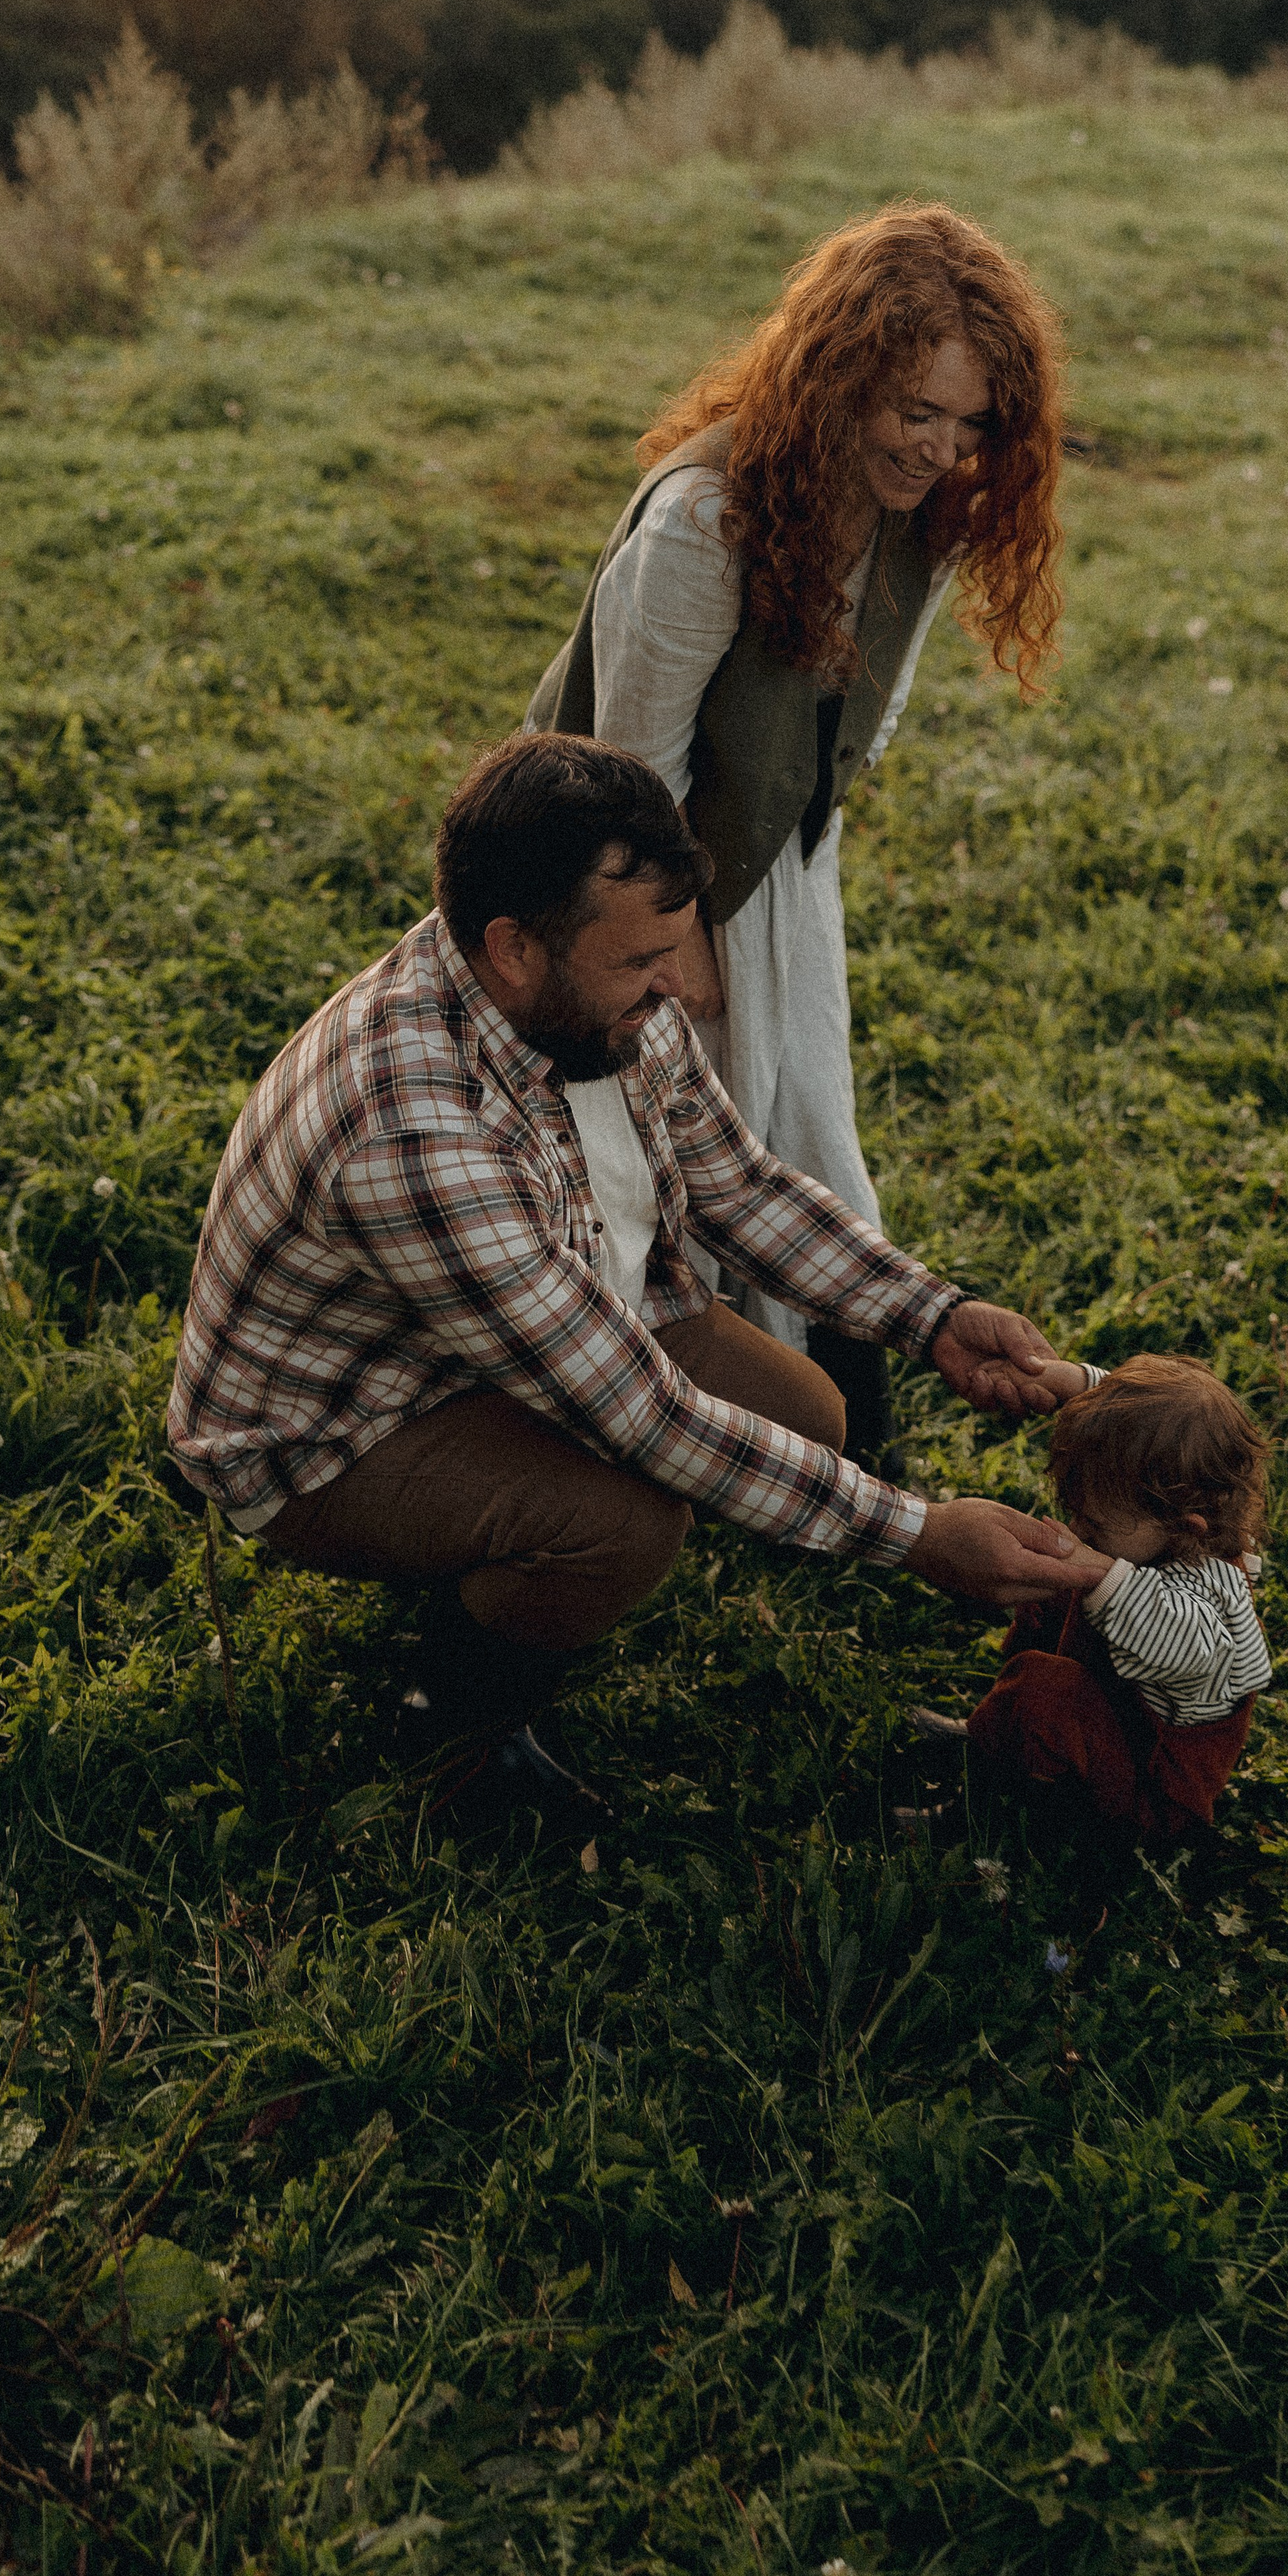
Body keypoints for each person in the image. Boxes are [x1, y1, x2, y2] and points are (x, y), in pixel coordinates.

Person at [167, 732, 1085, 1796]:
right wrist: (919, 1535)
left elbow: (740, 1188)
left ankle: (502, 1558)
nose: (683, 987)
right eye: (646, 964)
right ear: (514, 948)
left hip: (531, 1315)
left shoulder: (579, 987)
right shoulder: (410, 1126)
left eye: (676, 948)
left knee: (813, 1416)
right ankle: (455, 1721)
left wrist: (932, 1318)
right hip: (339, 1427)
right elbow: (644, 1419)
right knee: (627, 1520)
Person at [524, 199, 1066, 1465]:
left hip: (775, 866)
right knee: (677, 1152)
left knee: (807, 1124)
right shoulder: (705, 522)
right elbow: (630, 772)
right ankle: (707, 1426)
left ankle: (839, 1435)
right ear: (838, 379)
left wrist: (779, 881)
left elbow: (859, 725)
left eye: (965, 421)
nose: (938, 448)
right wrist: (676, 945)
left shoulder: (923, 518)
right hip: (620, 885)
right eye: (910, 411)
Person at [916, 1355, 1273, 1847]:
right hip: (1108, 1718)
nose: (1080, 1531)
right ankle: (1002, 1734)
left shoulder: (1207, 1603)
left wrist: (1092, 1566)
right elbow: (1141, 1422)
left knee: (1046, 1692)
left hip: (1149, 1792)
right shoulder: (1177, 1506)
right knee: (1056, 1601)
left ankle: (978, 1813)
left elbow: (1178, 1637)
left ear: (1184, 1527)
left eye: (1096, 1526)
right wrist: (1068, 1383)